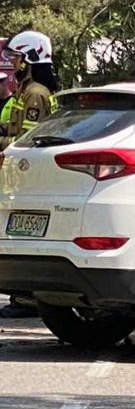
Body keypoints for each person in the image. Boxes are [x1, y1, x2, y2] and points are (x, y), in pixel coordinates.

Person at [0, 30, 59, 318]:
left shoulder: (35, 93)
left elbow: (29, 140)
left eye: (17, 57)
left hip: (27, 175)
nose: (12, 63)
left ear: (32, 58)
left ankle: (26, 300)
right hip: (18, 175)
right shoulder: (27, 90)